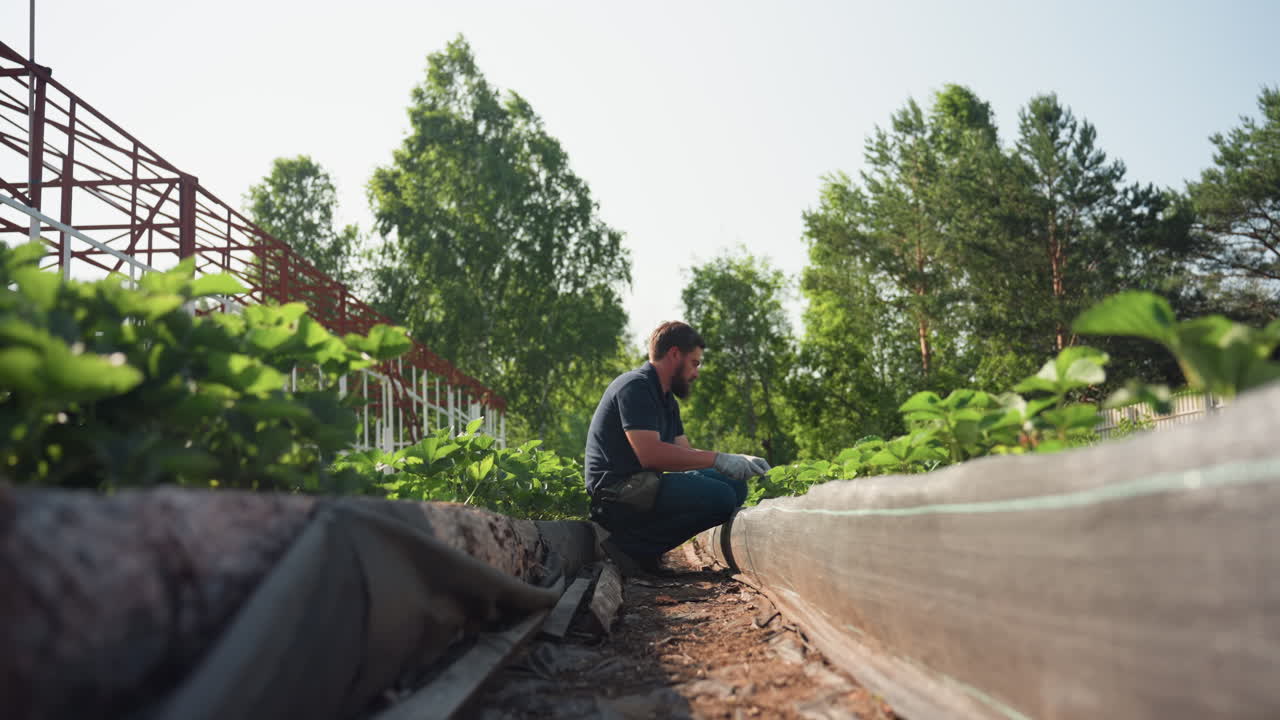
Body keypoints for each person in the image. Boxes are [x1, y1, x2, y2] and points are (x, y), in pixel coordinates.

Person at [584, 321, 770, 575]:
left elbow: (685, 454)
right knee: (721, 497)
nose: (696, 373)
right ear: (674, 355)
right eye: (694, 363)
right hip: (615, 495)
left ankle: (642, 548)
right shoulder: (635, 387)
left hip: (643, 486)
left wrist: (733, 462)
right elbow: (651, 455)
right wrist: (718, 458)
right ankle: (626, 548)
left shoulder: (666, 399)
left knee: (734, 486)